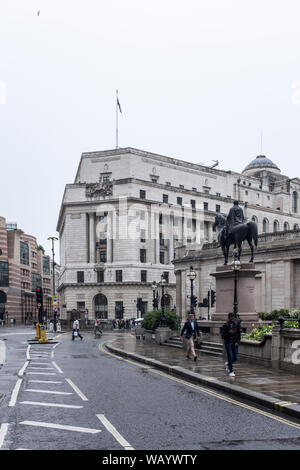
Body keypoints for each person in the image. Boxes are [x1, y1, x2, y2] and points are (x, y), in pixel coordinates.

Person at [221, 312, 241, 377]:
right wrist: (228, 332)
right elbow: (223, 335)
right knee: (230, 356)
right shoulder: (225, 325)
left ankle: (228, 364)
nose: (232, 320)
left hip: (235, 343)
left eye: (233, 319)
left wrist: (237, 342)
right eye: (231, 319)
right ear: (228, 318)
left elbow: (239, 334)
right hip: (228, 343)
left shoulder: (237, 324)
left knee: (235, 358)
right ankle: (231, 371)